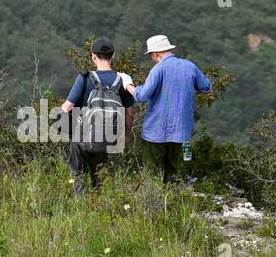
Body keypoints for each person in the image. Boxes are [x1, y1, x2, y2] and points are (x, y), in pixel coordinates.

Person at [126, 35, 212, 181]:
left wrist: (128, 85)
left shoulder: (158, 69)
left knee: (152, 174)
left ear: (155, 54)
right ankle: (172, 200)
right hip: (181, 132)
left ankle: (154, 202)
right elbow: (206, 86)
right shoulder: (189, 66)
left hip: (156, 131)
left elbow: (142, 96)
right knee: (173, 173)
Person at [61, 38, 134, 194]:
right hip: (108, 137)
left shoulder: (85, 78)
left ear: (93, 57)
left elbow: (67, 108)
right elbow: (129, 112)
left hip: (84, 137)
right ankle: (98, 202)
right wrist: (125, 137)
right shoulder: (121, 80)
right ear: (112, 55)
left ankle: (81, 202)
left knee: (77, 171)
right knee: (99, 174)